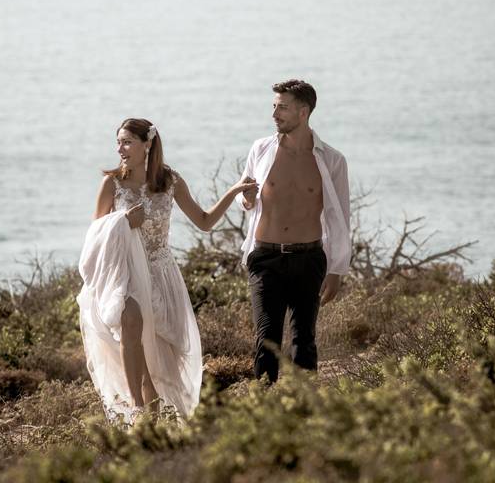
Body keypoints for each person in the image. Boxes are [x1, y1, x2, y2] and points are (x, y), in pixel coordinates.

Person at [78, 118, 257, 421]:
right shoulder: (112, 183)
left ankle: (155, 416)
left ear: (147, 144)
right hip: (125, 273)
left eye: (127, 142)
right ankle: (137, 411)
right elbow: (94, 236)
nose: (120, 149)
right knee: (130, 322)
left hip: (161, 274)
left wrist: (234, 191)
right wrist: (121, 222)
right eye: (118, 142)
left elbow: (204, 221)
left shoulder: (170, 181)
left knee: (159, 359)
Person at [237, 79, 351, 382]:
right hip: (265, 257)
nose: (275, 114)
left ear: (304, 112)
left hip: (309, 258)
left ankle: (304, 415)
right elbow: (245, 194)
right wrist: (245, 199)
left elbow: (341, 217)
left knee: (304, 342)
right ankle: (262, 413)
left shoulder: (332, 160)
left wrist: (337, 269)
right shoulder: (260, 149)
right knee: (266, 340)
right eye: (274, 106)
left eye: (282, 108)